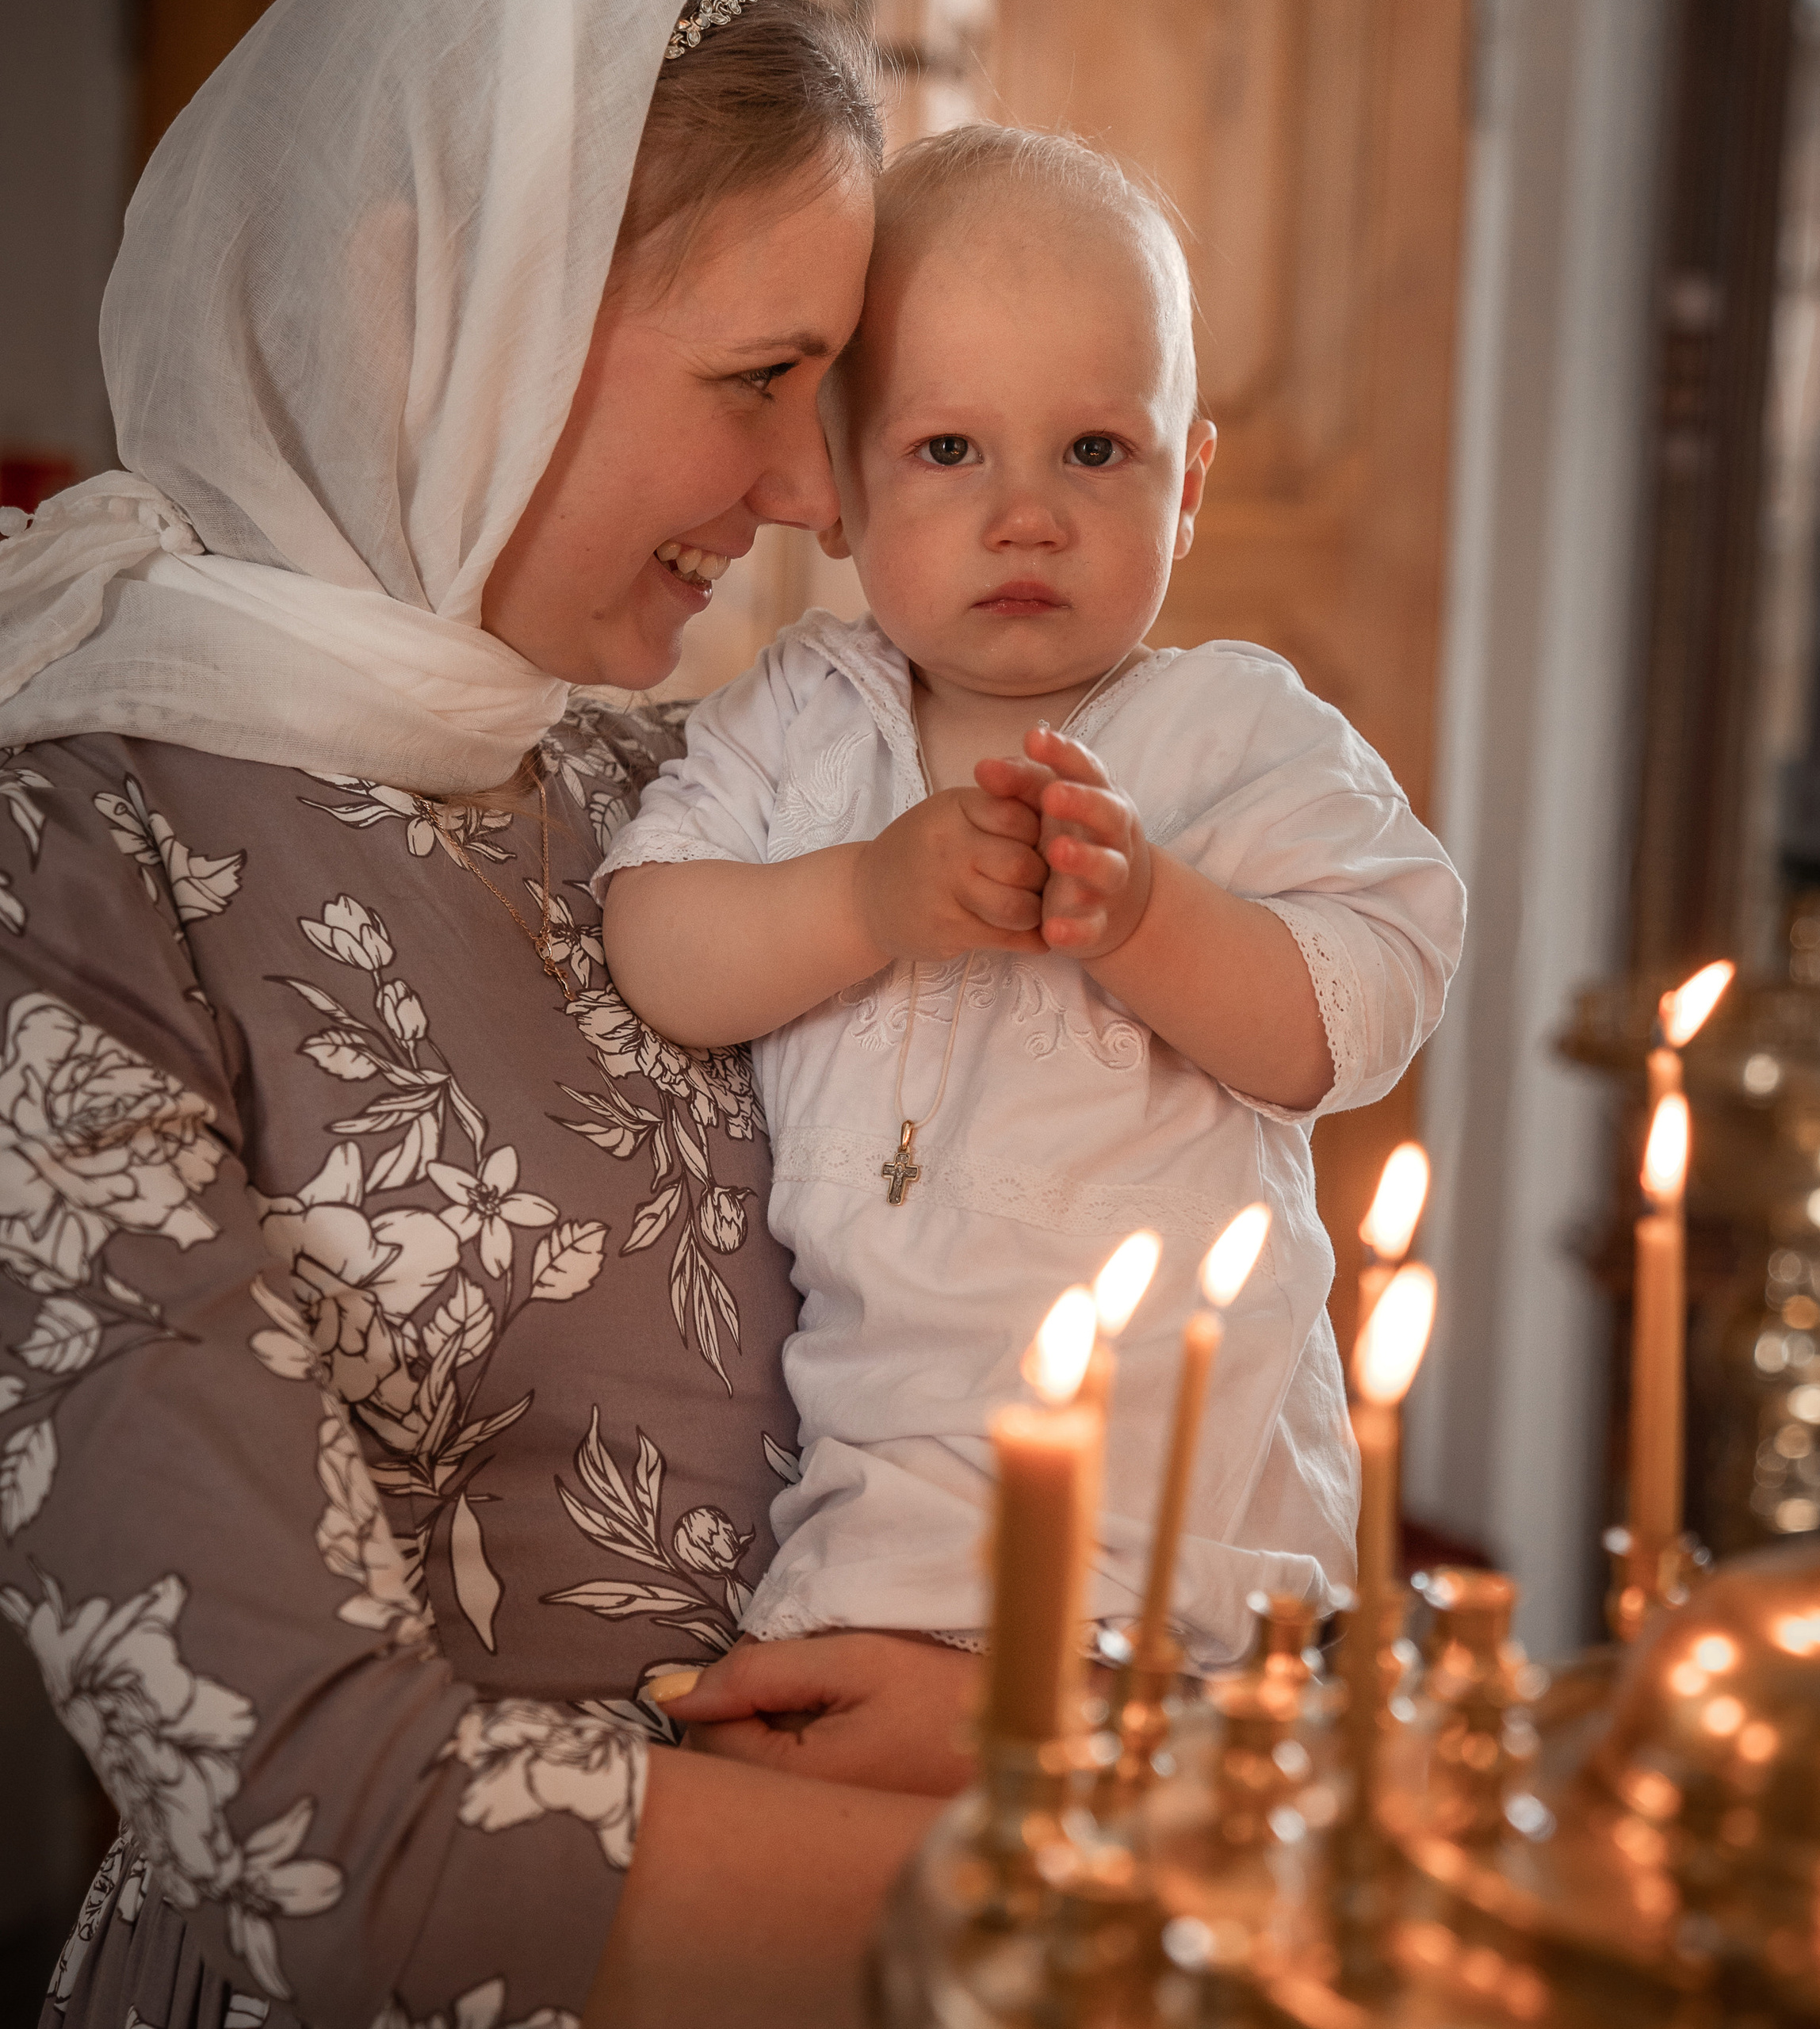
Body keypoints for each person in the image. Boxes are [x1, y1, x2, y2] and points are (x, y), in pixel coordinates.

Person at [0, 5, 977, 2025]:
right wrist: (1134, 1871)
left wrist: (1001, 1682)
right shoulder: (66, 870)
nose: (812, 485)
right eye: (759, 379)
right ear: (427, 306)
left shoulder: (684, 801)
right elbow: (321, 1820)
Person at [599, 127, 1467, 1684]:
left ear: (1185, 482)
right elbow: (656, 942)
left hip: (1192, 1534)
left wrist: (1152, 921)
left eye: (1092, 451)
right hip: (880, 1503)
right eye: (948, 452)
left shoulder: (1234, 732)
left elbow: (1366, 1006)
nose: (1026, 514)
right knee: (869, 1858)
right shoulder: (799, 721)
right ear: (837, 492)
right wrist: (863, 894)